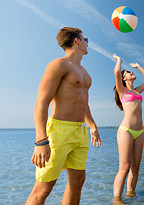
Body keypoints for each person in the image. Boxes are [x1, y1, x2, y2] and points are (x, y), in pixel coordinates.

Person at [26, 27, 101, 205]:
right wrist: (41, 140)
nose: (86, 42)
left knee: (77, 182)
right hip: (59, 131)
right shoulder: (58, 65)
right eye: (85, 39)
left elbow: (84, 103)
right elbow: (42, 102)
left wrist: (93, 126)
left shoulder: (84, 72)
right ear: (77, 41)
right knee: (44, 188)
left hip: (80, 132)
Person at [112, 54, 144, 205]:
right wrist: (119, 61)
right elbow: (117, 73)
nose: (131, 73)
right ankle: (116, 200)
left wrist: (139, 67)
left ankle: (131, 194)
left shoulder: (137, 91)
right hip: (126, 131)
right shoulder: (122, 90)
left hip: (139, 132)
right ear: (124, 78)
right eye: (128, 72)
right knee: (124, 167)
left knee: (136, 166)